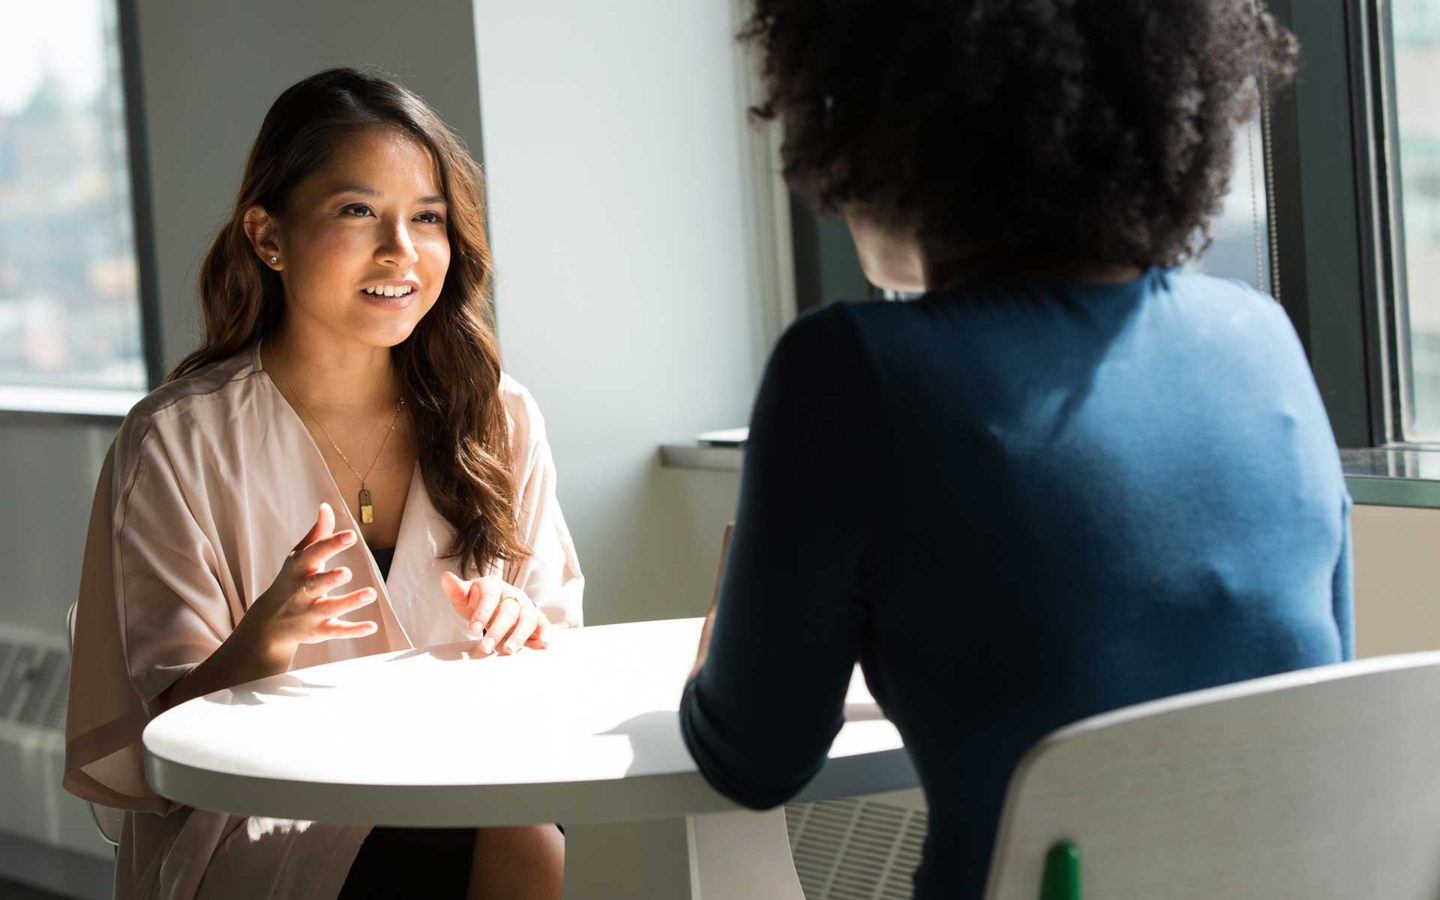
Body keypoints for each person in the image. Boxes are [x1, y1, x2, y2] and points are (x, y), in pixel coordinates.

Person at [679, 3, 1352, 898]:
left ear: (886, 124)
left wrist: (724, 639)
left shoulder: (850, 370)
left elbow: (754, 760)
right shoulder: (1261, 339)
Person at [63, 68, 582, 900]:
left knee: (532, 828)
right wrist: (263, 639)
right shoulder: (178, 441)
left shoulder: (500, 417)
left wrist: (523, 630)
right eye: (356, 212)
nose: (400, 252)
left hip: (472, 786)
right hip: (264, 825)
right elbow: (157, 754)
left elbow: (559, 668)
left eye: (428, 219)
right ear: (268, 237)